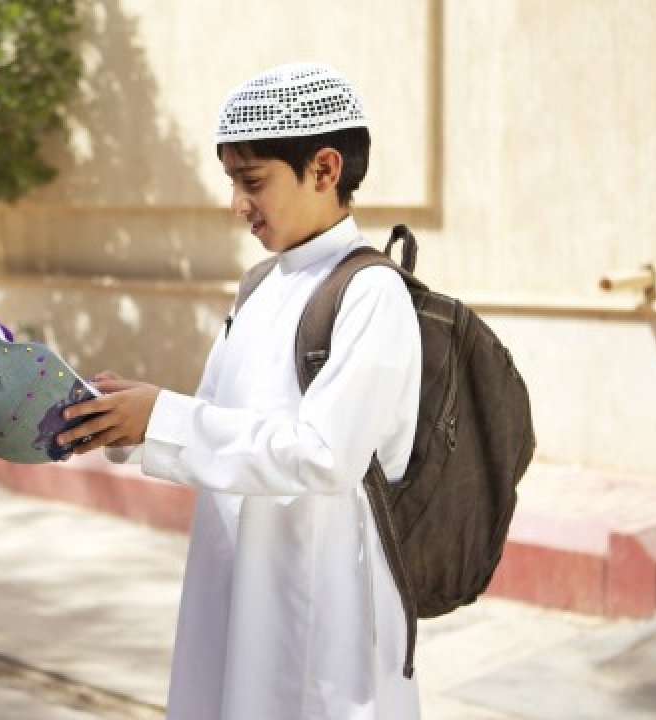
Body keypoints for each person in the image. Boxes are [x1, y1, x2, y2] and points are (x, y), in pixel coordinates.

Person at [59, 62, 423, 719]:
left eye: (252, 181)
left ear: (325, 169)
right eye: (232, 181)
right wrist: (126, 418)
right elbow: (212, 420)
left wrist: (163, 419)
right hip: (235, 585)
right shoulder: (260, 285)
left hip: (320, 604)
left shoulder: (371, 292)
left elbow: (325, 455)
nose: (237, 204)